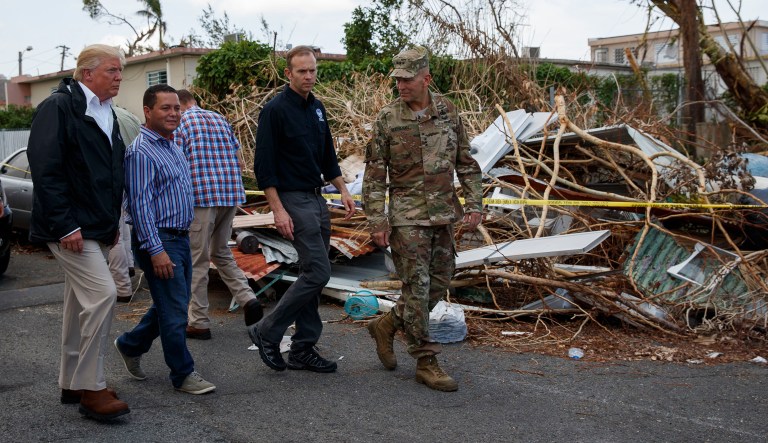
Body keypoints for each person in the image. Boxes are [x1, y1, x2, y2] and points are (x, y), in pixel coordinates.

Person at [362, 46, 483, 392]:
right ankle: (425, 360)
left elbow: (465, 162)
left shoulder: (448, 111)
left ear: (426, 78)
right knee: (417, 287)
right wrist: (377, 221)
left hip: (444, 213)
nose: (401, 85)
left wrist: (474, 202)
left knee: (439, 283)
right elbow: (374, 175)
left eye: (407, 79)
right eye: (397, 79)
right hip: (407, 216)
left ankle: (387, 324)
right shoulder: (388, 119)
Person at [27, 44, 130, 420]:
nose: (119, 77)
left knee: (77, 304)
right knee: (104, 294)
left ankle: (72, 382)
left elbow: (111, 173)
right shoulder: (59, 107)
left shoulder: (107, 112)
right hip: (68, 227)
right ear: (87, 74)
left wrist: (112, 224)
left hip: (95, 226)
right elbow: (46, 169)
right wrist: (66, 223)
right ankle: (92, 386)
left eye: (120, 71)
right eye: (112, 71)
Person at [251, 45, 355, 373]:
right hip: (293, 199)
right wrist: (278, 210)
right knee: (318, 272)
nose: (309, 76)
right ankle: (267, 330)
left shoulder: (318, 108)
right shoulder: (275, 110)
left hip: (317, 198)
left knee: (313, 274)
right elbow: (264, 166)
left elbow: (327, 157)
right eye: (302, 71)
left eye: (312, 70)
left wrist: (343, 189)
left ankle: (303, 349)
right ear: (288, 73)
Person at [113, 84, 216, 395]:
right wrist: (156, 251)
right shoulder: (141, 152)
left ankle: (130, 344)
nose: (173, 114)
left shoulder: (172, 145)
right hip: (160, 241)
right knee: (174, 313)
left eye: (176, 108)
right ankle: (183, 374)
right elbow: (140, 205)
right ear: (147, 111)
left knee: (171, 304)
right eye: (165, 108)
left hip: (180, 238)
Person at [175, 89, 263, 340]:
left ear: (180, 105)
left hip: (201, 198)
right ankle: (248, 298)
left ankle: (199, 322)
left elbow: (177, 162)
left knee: (197, 260)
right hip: (230, 195)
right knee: (221, 251)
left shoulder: (182, 123)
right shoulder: (219, 118)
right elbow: (238, 157)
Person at [110, 106, 141, 303]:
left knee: (114, 234)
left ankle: (122, 287)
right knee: (124, 227)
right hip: (132, 173)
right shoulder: (129, 115)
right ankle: (129, 266)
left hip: (115, 176)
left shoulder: (106, 116)